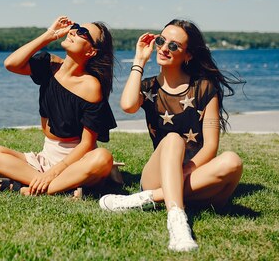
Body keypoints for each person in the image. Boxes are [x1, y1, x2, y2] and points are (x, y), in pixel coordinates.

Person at [99, 19, 244, 252]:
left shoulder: (205, 89)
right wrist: (139, 60)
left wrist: (184, 172)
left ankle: (145, 199)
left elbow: (210, 147)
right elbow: (127, 105)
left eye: (174, 45)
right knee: (174, 139)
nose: (164, 48)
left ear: (188, 55)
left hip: (195, 174)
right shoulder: (148, 88)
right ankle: (177, 222)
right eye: (161, 40)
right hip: (157, 175)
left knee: (232, 161)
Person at [0, 15, 117, 197]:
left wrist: (54, 172)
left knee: (103, 158)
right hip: (44, 158)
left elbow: (86, 145)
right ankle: (62, 186)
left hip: (75, 162)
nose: (73, 31)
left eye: (82, 32)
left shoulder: (90, 86)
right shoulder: (49, 65)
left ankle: (33, 187)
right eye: (75, 27)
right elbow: (11, 64)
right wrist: (49, 35)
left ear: (91, 51)